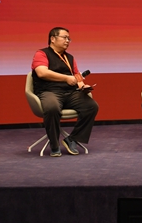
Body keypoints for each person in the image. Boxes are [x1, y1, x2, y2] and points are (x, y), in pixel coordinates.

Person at [31, 27, 99, 157]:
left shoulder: (70, 58)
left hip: (69, 93)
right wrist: (66, 78)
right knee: (52, 107)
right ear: (52, 39)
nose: (67, 41)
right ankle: (54, 144)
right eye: (64, 37)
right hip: (49, 91)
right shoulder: (41, 54)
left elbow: (77, 77)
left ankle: (72, 139)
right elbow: (41, 72)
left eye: (69, 39)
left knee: (91, 106)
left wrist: (82, 86)